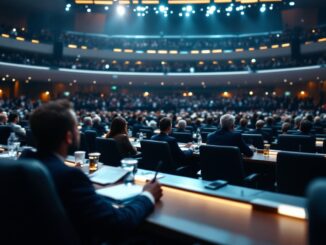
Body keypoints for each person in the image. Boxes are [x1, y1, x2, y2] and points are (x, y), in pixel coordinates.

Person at [28, 100, 163, 244]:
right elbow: (118, 223)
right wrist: (148, 195)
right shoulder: (70, 177)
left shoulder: (24, 165)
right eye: (76, 128)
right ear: (69, 137)